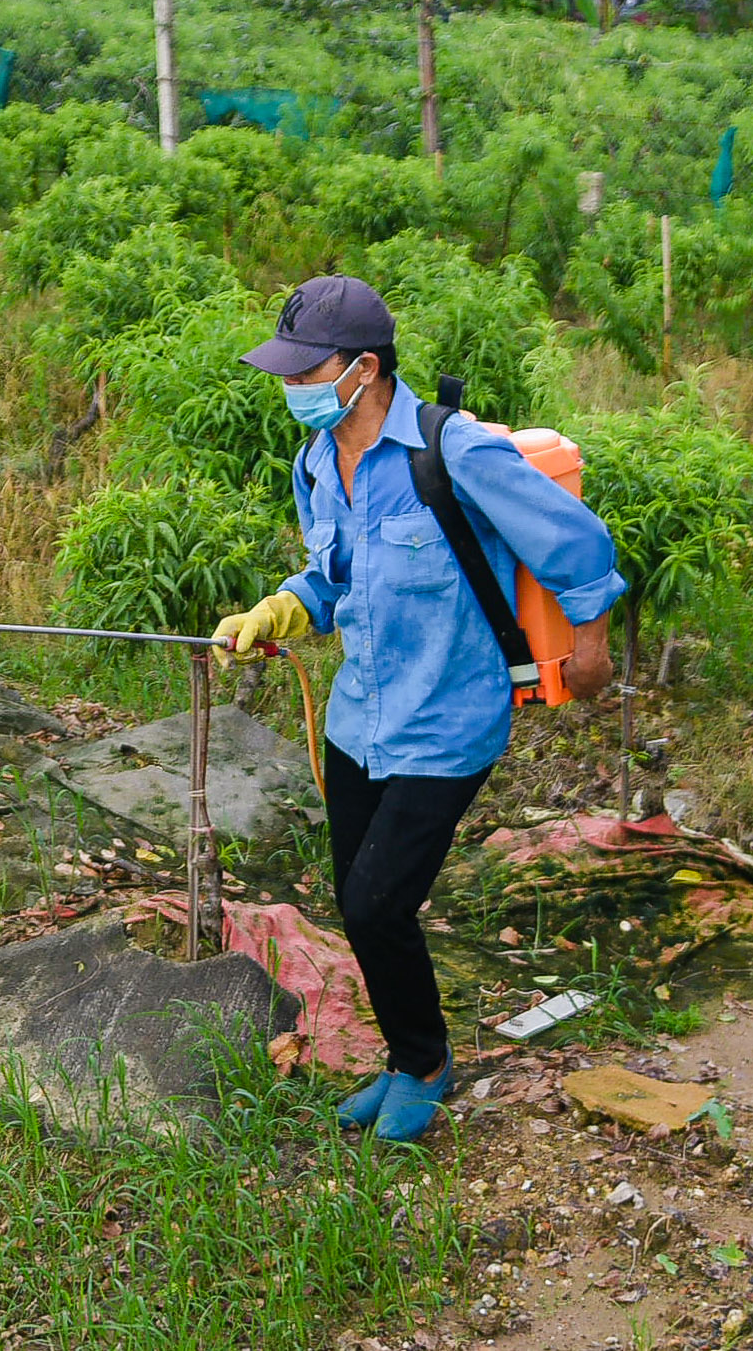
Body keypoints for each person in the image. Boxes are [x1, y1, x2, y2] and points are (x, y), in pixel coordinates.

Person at [213, 276, 623, 1143]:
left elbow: (574, 542)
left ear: (363, 368)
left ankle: (427, 1061)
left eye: (305, 372)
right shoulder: (317, 460)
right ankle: (404, 1057)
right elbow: (329, 581)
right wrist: (277, 611)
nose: (290, 389)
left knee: (373, 905)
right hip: (358, 716)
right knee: (354, 894)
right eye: (283, 374)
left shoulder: (456, 453)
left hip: (448, 720)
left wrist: (590, 647)